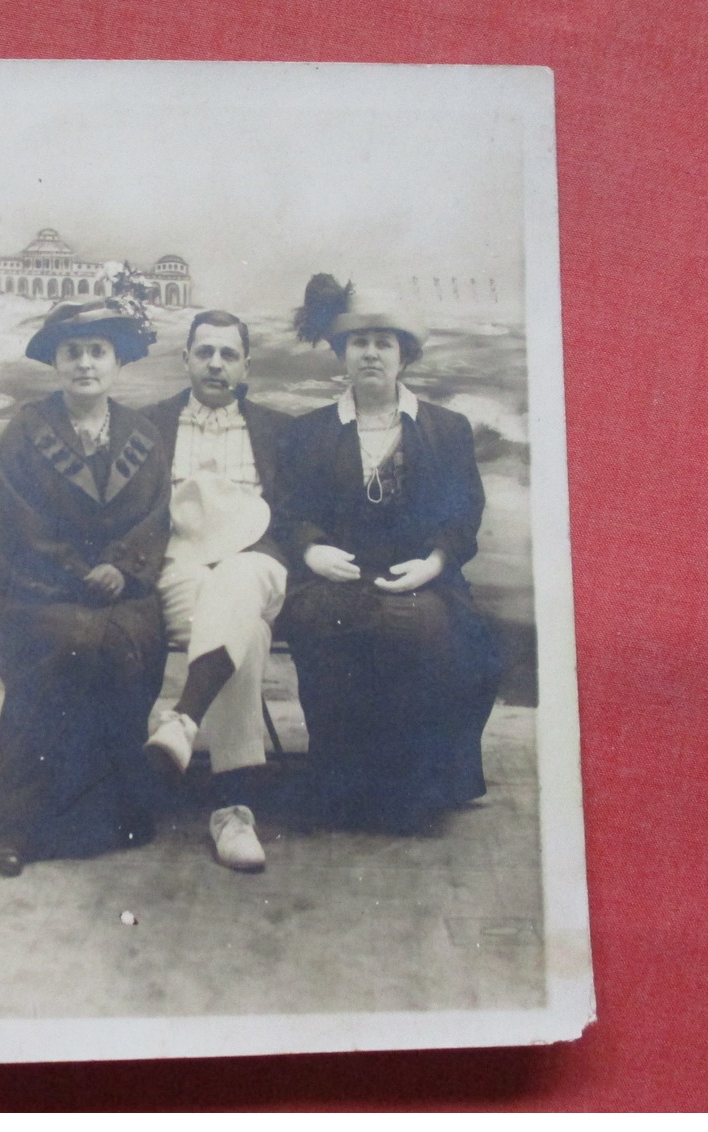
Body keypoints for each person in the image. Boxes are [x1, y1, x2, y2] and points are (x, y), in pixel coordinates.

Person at [274, 275, 502, 834]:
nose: (371, 353)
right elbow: (290, 510)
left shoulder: (445, 430)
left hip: (421, 574)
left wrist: (434, 562)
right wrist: (311, 551)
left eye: (384, 343)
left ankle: (411, 790)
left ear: (405, 357)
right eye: (359, 342)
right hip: (335, 575)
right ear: (341, 353)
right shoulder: (309, 432)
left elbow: (463, 514)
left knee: (420, 626)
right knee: (329, 622)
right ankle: (342, 784)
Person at [0, 298, 170, 877]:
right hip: (35, 586)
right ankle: (17, 824)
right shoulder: (25, 433)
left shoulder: (143, 435)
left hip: (123, 588)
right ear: (56, 363)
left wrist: (122, 566)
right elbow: (18, 524)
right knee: (66, 643)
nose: (85, 364)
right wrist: (75, 573)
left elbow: (155, 518)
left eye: (97, 352)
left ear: (116, 363)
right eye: (72, 353)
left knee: (123, 640)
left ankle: (113, 814)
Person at [141, 311, 291, 871]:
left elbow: (296, 517)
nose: (216, 364)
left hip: (259, 566)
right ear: (185, 359)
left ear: (246, 364)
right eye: (205, 352)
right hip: (179, 568)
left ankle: (182, 720)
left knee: (239, 578)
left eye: (229, 354)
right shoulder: (149, 426)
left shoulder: (276, 429)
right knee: (241, 633)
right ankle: (233, 809)